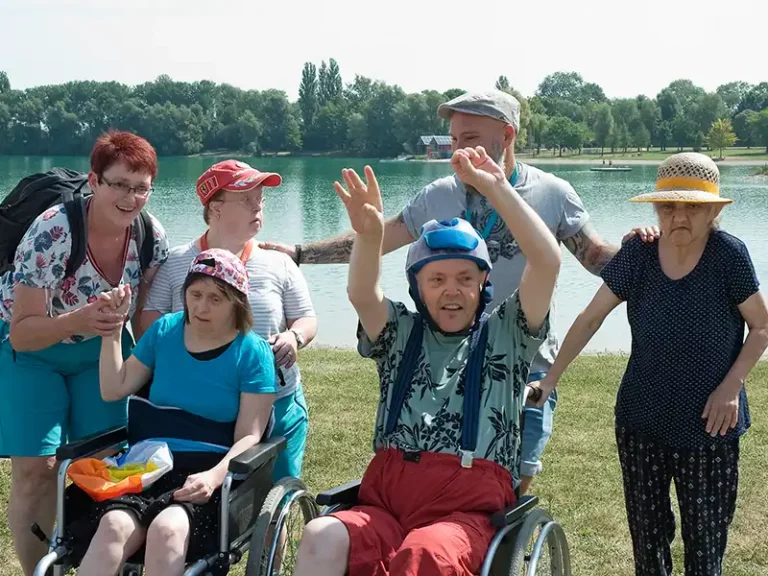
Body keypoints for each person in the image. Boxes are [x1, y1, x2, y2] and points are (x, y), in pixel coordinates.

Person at [260, 89, 656, 494]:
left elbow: (594, 257)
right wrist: (300, 253)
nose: (457, 149)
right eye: (453, 139)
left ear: (506, 135)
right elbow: (376, 237)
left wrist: (649, 251)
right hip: (442, 357)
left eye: (469, 138)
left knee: (509, 484)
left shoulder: (552, 193)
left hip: (521, 361)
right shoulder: (437, 195)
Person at [294, 145, 561, 576]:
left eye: (465, 278)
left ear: (484, 283)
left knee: (425, 552)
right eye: (436, 279)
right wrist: (369, 237)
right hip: (387, 500)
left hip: (467, 509)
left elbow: (546, 262)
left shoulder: (508, 334)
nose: (451, 290)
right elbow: (362, 294)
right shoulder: (400, 333)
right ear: (417, 287)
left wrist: (497, 188)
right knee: (322, 533)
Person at [530, 153, 768, 576]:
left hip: (710, 423)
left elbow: (762, 327)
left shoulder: (728, 255)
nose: (679, 217)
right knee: (648, 542)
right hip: (642, 420)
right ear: (656, 209)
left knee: (705, 544)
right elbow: (590, 318)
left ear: (713, 212)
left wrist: (731, 386)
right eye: (668, 207)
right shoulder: (638, 254)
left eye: (693, 207)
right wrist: (551, 377)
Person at [0, 131, 169, 575]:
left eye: (141, 188)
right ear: (94, 181)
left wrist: (158, 369)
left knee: (105, 464)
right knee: (37, 470)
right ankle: (42, 571)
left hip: (100, 350)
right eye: (119, 184)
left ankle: (99, 561)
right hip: (33, 349)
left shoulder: (150, 236)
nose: (130, 198)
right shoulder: (53, 231)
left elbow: (143, 320)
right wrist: (79, 320)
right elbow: (22, 333)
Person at [68, 249, 277, 576]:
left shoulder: (252, 352)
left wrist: (213, 477)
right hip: (147, 466)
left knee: (167, 530)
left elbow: (250, 435)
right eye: (195, 294)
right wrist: (112, 331)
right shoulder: (165, 330)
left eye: (216, 299)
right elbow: (114, 388)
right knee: (113, 526)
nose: (201, 307)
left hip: (207, 471)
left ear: (237, 302)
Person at [141, 159, 316, 481]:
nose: (258, 206)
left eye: (260, 199)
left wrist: (295, 337)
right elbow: (150, 326)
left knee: (277, 491)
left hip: (277, 403)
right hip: (201, 411)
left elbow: (305, 318)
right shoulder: (177, 262)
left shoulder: (279, 262)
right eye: (247, 199)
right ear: (216, 208)